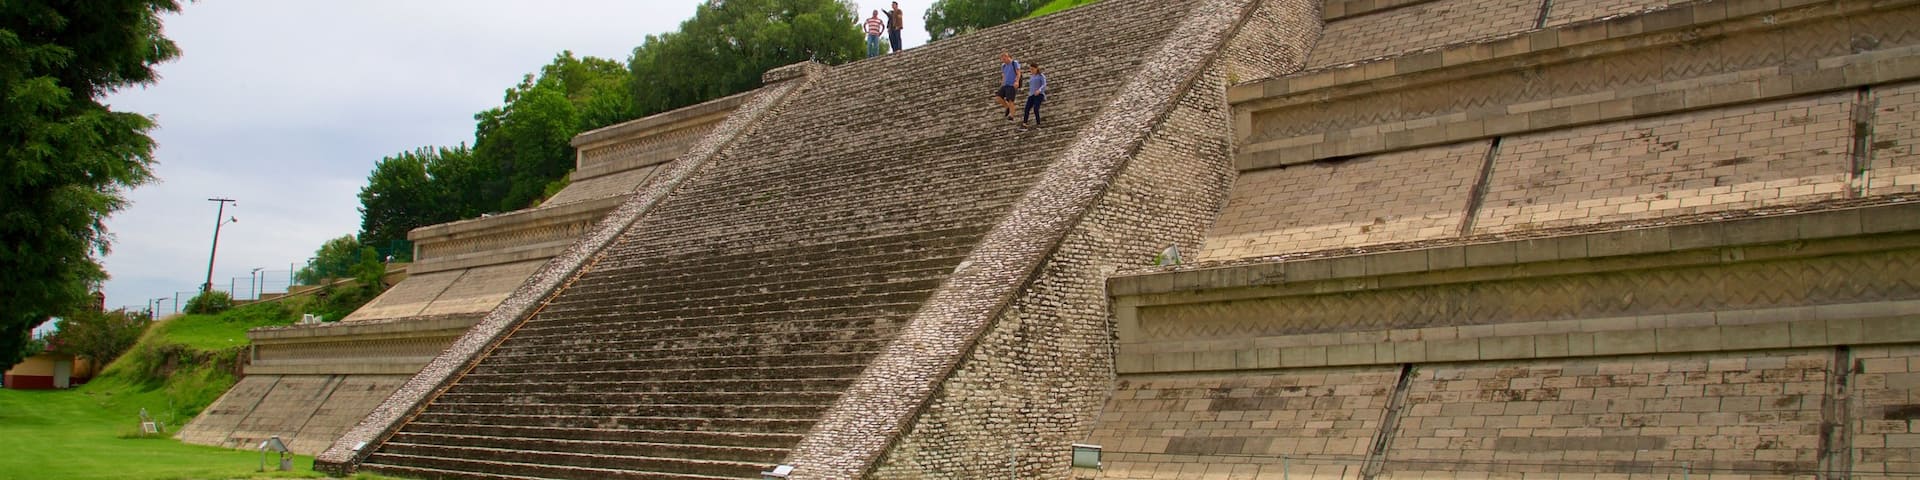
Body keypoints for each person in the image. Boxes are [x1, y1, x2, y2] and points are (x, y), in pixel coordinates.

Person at [994, 53, 1021, 120]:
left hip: (1012, 85)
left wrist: (1017, 81)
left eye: (1004, 58)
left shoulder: (1014, 63)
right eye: (1002, 59)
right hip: (1005, 85)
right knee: (998, 97)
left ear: (1008, 57)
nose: (1003, 60)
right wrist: (1002, 84)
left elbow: (1018, 73)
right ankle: (1007, 107)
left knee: (1010, 100)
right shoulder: (1003, 66)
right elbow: (1004, 76)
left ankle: (1012, 115)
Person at [1022, 64, 1048, 129]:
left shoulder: (1041, 76)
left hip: (1039, 95)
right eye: (1030, 69)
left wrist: (1039, 90)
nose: (1031, 71)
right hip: (1031, 95)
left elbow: (1044, 84)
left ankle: (1038, 123)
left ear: (1036, 68)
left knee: (1036, 108)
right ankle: (1024, 123)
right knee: (1027, 108)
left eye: (1032, 69)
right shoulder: (1032, 77)